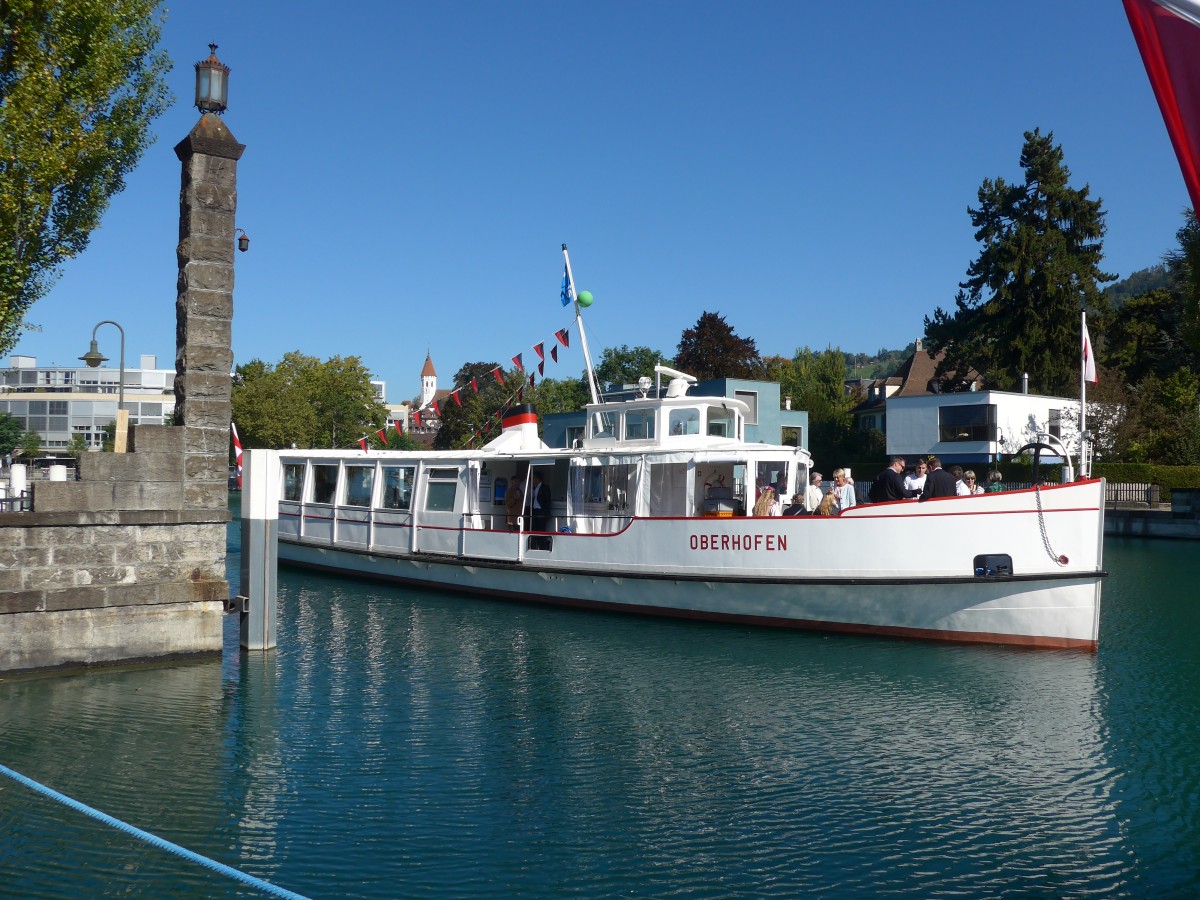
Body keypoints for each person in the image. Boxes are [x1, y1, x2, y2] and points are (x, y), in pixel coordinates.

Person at [528, 471, 552, 544]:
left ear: (537, 478)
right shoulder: (534, 487)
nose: (532, 480)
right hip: (535, 510)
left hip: (541, 511)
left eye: (533, 478)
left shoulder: (545, 488)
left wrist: (545, 512)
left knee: (541, 528)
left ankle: (541, 543)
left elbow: (548, 501)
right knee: (535, 528)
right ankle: (536, 542)